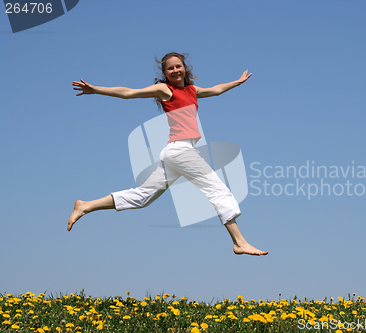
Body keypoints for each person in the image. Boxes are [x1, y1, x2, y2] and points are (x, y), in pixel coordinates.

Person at [68, 52, 267, 256]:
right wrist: (96, 90)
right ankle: (239, 242)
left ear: (185, 68)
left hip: (175, 153)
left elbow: (215, 90)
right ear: (164, 73)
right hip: (180, 151)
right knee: (217, 190)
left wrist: (238, 82)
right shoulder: (165, 90)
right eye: (170, 68)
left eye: (178, 66)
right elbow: (128, 93)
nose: (175, 71)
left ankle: (85, 206)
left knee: (144, 196)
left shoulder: (192, 90)